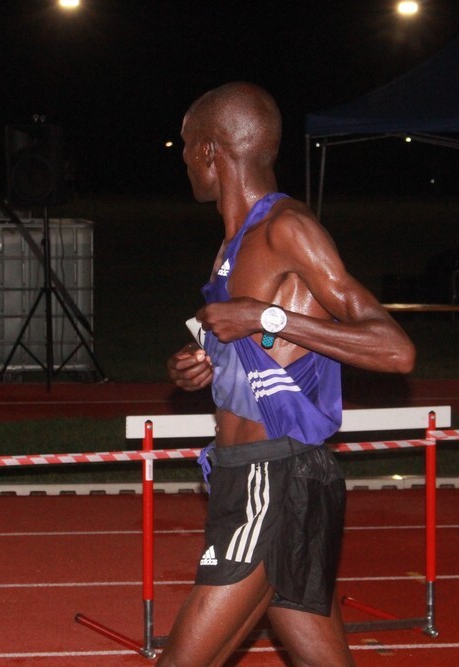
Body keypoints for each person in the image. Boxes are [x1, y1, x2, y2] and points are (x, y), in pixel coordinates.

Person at [161, 82, 416, 666]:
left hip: (275, 478)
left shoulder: (287, 228)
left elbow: (395, 349)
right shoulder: (232, 245)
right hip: (249, 475)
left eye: (186, 147)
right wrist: (198, 366)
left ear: (209, 151)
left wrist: (264, 316)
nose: (184, 161)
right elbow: (262, 350)